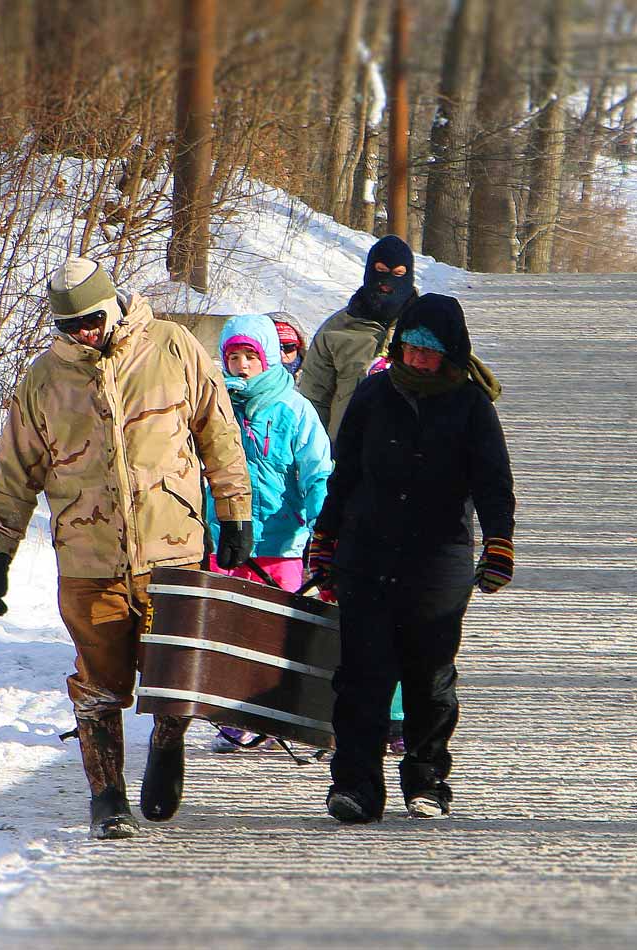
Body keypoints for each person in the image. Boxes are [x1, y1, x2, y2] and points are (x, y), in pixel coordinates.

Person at [0, 255, 253, 839]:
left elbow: (218, 431)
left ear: (114, 306)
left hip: (172, 549)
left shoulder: (173, 348)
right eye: (69, 326)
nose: (83, 333)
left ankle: (167, 744)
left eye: (91, 321)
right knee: (98, 685)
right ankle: (107, 796)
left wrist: (234, 511)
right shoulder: (44, 380)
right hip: (87, 556)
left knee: (173, 672)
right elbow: (15, 470)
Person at [307, 293, 516, 824]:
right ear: (398, 347)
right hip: (366, 554)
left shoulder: (471, 406)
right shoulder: (374, 394)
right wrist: (326, 538)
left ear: (451, 353)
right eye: (412, 348)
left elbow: (494, 484)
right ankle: (355, 786)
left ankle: (426, 780)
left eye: (431, 351)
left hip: (437, 561)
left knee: (429, 677)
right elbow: (345, 475)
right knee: (361, 676)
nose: (419, 359)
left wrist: (499, 543)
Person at [203, 313, 333, 752]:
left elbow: (317, 472)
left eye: (249, 357)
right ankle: (232, 714)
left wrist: (323, 527)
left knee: (278, 630)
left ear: (269, 359)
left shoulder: (294, 409)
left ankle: (276, 709)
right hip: (226, 537)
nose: (241, 366)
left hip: (282, 541)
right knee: (227, 630)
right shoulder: (213, 406)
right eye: (233, 356)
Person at [298, 235, 418, 443]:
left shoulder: (427, 325)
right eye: (381, 271)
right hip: (349, 455)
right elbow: (314, 400)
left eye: (398, 274)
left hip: (413, 455)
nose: (388, 283)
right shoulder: (335, 330)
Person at [271, 312, 308, 380]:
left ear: (298, 347)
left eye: (288, 347)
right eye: (274, 348)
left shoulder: (314, 378)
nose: (281, 355)